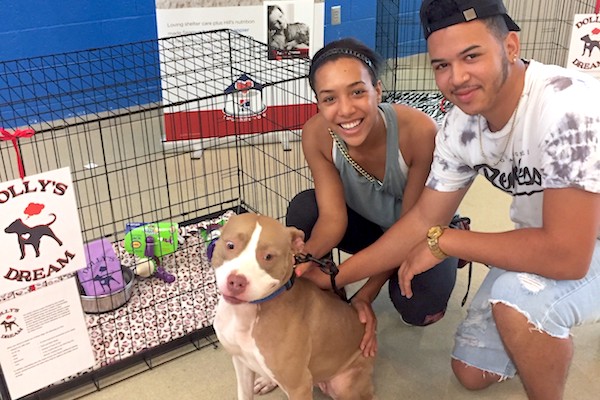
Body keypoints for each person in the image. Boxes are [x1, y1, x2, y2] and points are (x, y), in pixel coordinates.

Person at [300, 1, 600, 399]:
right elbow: (423, 216)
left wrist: (446, 242)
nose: (457, 78)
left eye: (471, 56)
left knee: (518, 304)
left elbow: (567, 256)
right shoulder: (461, 124)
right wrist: (337, 277)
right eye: (442, 65)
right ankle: (538, 336)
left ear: (510, 46)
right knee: (471, 372)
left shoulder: (568, 110)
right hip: (541, 235)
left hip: (581, 245)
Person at [286, 37, 459, 358]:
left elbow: (410, 230)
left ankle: (457, 238)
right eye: (329, 98)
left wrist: (365, 293)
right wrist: (302, 261)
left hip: (418, 233)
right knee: (305, 208)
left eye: (357, 91)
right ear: (318, 103)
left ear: (378, 90)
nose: (346, 109)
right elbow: (333, 220)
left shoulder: (417, 132)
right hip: (368, 226)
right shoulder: (315, 135)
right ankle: (325, 297)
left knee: (417, 306)